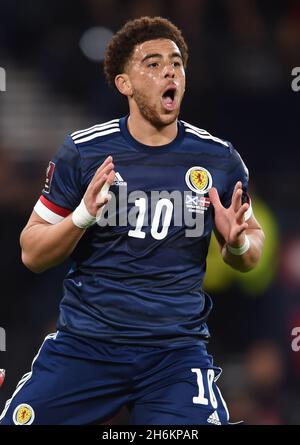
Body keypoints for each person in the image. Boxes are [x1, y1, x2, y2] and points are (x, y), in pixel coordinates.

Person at [0, 16, 264, 425]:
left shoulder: (219, 159)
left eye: (176, 63)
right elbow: (32, 253)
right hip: (87, 347)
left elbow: (250, 254)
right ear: (125, 83)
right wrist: (83, 216)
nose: (169, 71)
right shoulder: (84, 153)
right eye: (153, 64)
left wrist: (238, 244)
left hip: (174, 355)